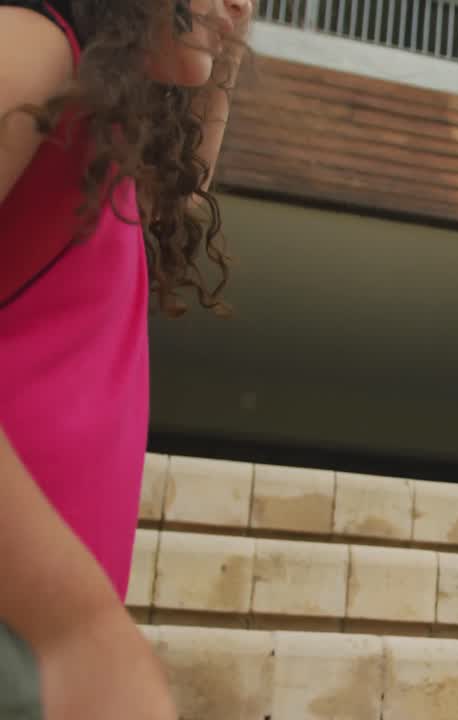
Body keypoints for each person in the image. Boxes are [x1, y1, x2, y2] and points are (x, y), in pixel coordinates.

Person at [0, 1, 252, 718]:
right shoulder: (33, 44)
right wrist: (75, 628)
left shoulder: (103, 135)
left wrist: (224, 51)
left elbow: (185, 191)